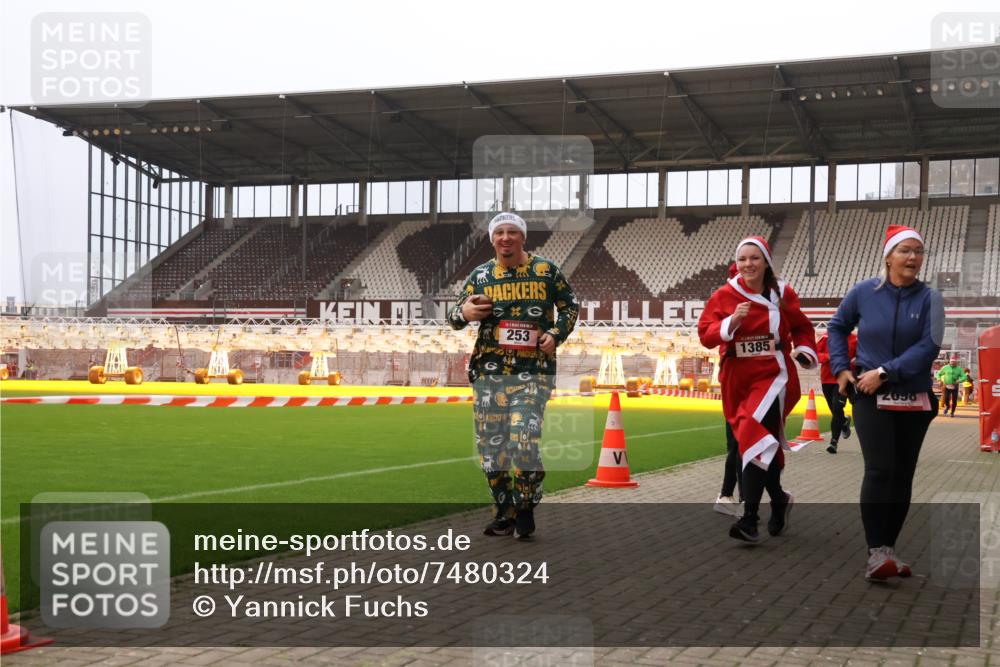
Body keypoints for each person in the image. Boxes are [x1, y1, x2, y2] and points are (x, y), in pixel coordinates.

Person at [448, 212, 579, 540]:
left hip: (533, 373)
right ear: (492, 239)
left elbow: (570, 306)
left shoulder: (546, 271)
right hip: (489, 374)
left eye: (512, 232)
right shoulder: (479, 276)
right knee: (491, 449)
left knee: (523, 441)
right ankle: (504, 511)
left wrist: (555, 333)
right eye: (499, 233)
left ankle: (525, 504)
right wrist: (463, 312)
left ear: (522, 237)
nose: (505, 238)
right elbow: (454, 316)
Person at [828, 224, 944, 581]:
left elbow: (930, 346)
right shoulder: (863, 292)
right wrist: (841, 369)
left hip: (914, 395)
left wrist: (886, 371)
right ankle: (876, 551)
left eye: (918, 251)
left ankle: (888, 550)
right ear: (889, 256)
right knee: (879, 469)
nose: (912, 257)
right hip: (870, 395)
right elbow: (836, 327)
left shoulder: (931, 299)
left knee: (902, 475)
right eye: (905, 250)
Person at [699, 235, 818, 542]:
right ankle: (778, 498)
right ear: (736, 263)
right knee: (755, 442)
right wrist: (730, 323)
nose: (748, 264)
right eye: (742, 259)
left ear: (766, 262)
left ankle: (749, 519)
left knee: (751, 436)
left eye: (754, 258)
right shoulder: (724, 295)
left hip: (773, 374)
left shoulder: (784, 293)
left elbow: (803, 327)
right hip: (737, 377)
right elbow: (706, 335)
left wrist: (805, 349)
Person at [817, 332, 856, 454]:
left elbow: (860, 358)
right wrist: (828, 356)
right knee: (834, 409)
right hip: (827, 379)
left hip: (843, 379)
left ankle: (833, 442)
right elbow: (815, 354)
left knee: (838, 408)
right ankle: (844, 421)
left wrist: (851, 363)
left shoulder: (855, 339)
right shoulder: (825, 337)